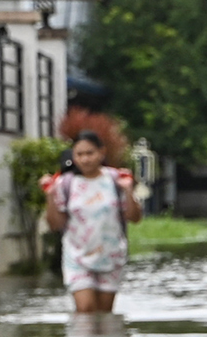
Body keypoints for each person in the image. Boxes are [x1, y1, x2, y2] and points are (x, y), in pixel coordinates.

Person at [43, 130, 141, 313]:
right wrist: (50, 196)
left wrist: (128, 191)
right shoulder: (66, 183)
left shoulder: (115, 179)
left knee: (104, 313)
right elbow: (55, 224)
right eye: (79, 154)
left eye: (90, 153)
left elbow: (135, 218)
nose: (85, 159)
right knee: (86, 309)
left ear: (101, 153)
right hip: (77, 255)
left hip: (110, 255)